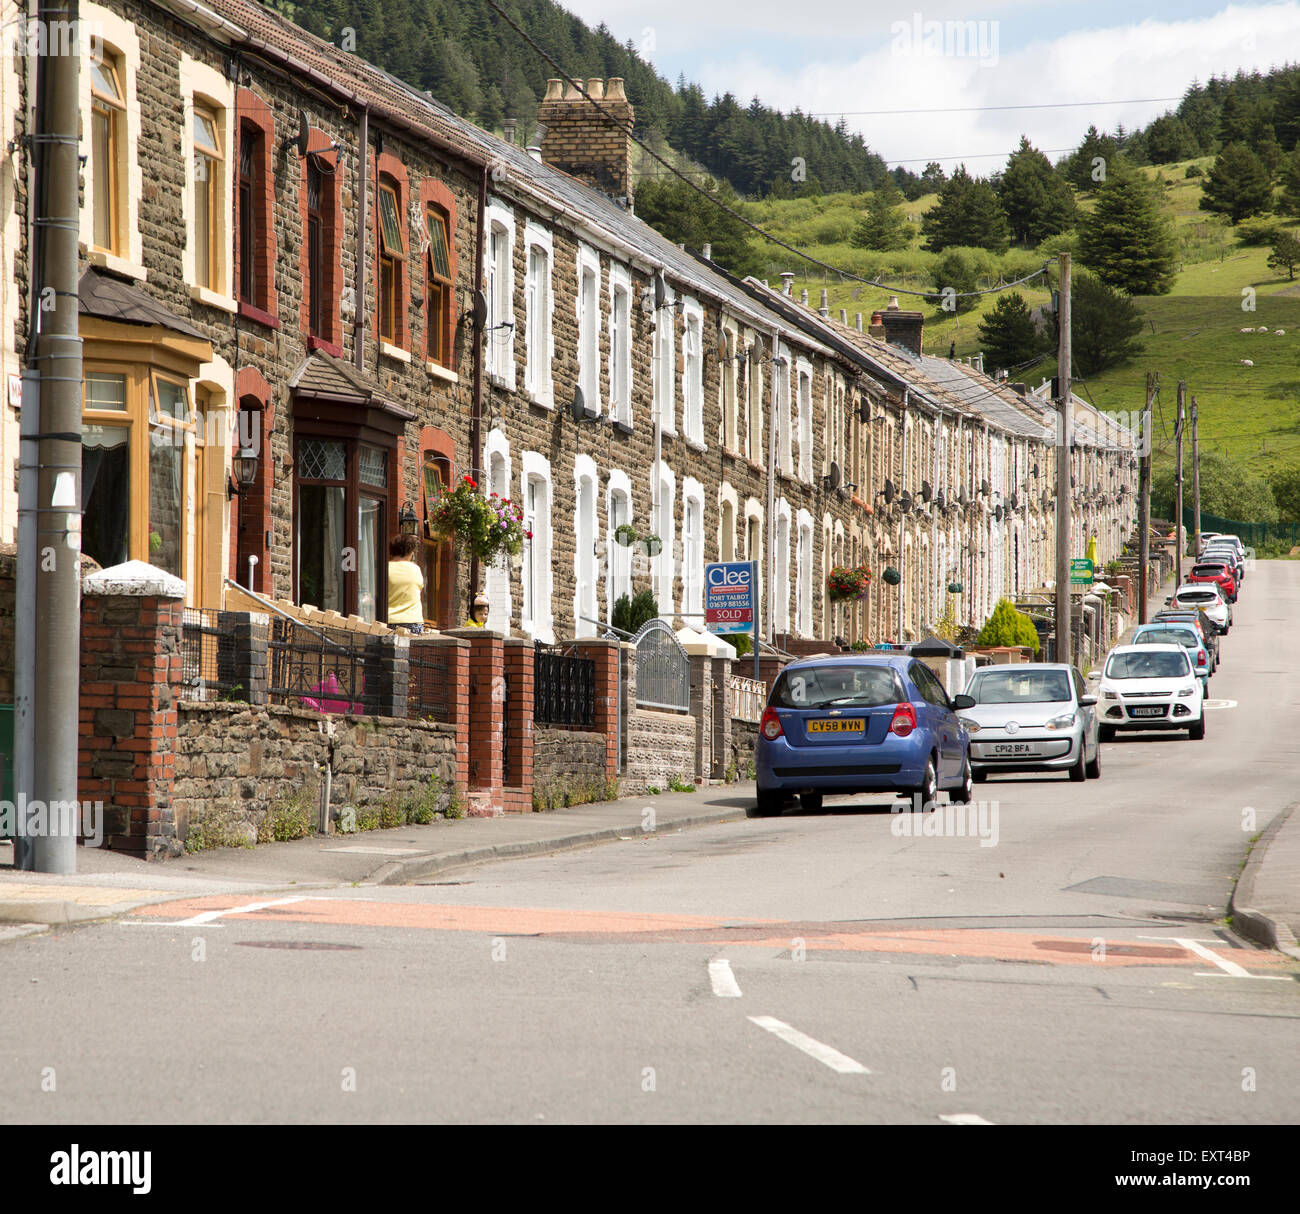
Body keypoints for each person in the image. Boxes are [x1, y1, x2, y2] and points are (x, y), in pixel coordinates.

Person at [387, 534, 425, 634]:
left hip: (389, 620)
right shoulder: (416, 569)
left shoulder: (385, 568)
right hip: (413, 621)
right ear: (410, 552)